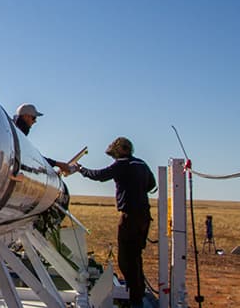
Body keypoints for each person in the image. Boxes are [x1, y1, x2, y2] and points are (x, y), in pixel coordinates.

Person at [68, 137, 155, 308]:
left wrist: (81, 169)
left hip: (129, 217)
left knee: (126, 259)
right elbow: (151, 184)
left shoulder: (122, 165)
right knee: (136, 256)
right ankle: (138, 293)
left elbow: (100, 176)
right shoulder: (141, 164)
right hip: (144, 217)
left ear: (121, 150)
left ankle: (135, 299)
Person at [12, 103, 71, 174]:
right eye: (34, 118)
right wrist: (57, 164)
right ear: (26, 116)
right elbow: (32, 157)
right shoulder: (16, 135)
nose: (35, 121)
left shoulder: (15, 132)